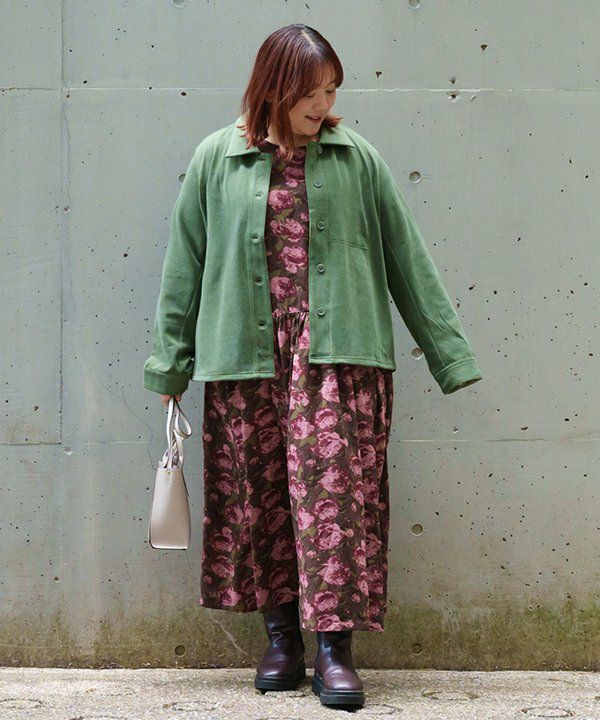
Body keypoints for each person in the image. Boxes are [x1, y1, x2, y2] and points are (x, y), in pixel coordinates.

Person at [144, 23, 482, 709]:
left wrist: (449, 354)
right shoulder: (217, 157)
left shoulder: (356, 157)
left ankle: (334, 650)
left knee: (335, 500)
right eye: (311, 93)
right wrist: (169, 367)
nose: (324, 105)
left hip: (337, 358)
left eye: (332, 90)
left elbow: (406, 256)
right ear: (274, 89)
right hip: (245, 359)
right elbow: (185, 265)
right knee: (259, 500)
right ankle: (281, 642)